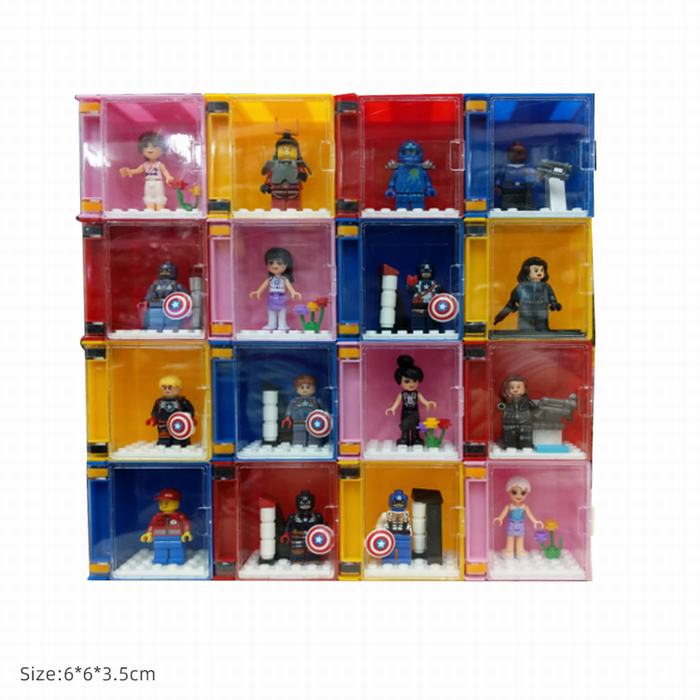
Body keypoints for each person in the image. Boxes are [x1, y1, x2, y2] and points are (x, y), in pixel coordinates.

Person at [385, 355, 436, 446]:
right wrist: (392, 408)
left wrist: (428, 403)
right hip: (405, 412)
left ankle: (416, 438)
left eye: (415, 381)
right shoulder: (402, 394)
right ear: (400, 382)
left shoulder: (417, 394)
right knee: (405, 426)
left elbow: (423, 400)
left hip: (414, 412)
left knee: (415, 426)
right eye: (407, 381)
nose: (411, 384)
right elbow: (397, 402)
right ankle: (404, 438)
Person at [249, 247, 301, 331]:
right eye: (271, 263)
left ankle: (282, 325)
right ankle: (271, 324)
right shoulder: (270, 279)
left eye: (279, 263)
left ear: (286, 264)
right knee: (271, 311)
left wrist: (294, 293)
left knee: (282, 311)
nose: (274, 265)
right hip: (272, 297)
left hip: (281, 297)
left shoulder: (284, 279)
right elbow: (264, 286)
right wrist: (258, 292)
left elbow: (289, 287)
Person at [119, 132, 174, 211]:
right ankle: (150, 210)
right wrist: (129, 171)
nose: (150, 149)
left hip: (157, 183)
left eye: (154, 146)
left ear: (162, 150)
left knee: (159, 198)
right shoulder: (145, 165)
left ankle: (160, 210)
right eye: (146, 147)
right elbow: (137, 170)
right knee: (149, 199)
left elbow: (165, 172)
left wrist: (168, 177)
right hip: (148, 184)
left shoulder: (159, 165)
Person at [493, 476, 543, 558]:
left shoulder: (524, 507)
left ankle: (520, 551)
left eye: (523, 493)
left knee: (520, 537)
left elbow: (530, 515)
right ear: (509, 492)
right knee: (510, 537)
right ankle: (509, 551)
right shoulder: (509, 506)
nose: (519, 496)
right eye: (514, 492)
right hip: (512, 524)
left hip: (520, 525)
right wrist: (500, 518)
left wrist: (535, 521)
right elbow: (503, 514)